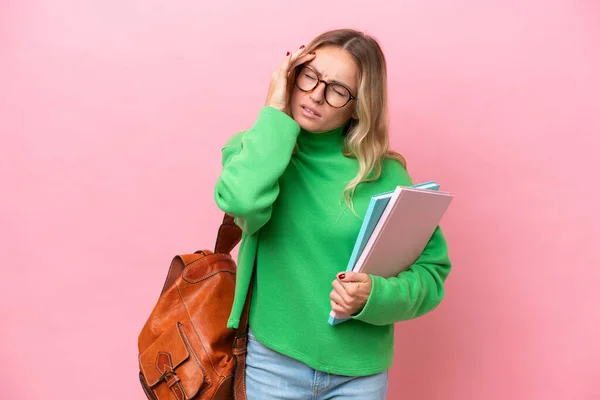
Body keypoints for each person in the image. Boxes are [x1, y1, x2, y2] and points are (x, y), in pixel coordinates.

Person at [214, 28, 451, 400]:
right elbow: (242, 203)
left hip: (359, 376)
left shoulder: (387, 176)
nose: (316, 96)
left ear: (358, 105)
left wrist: (376, 295)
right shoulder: (254, 147)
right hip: (272, 361)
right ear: (291, 76)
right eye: (309, 77)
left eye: (338, 90)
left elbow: (431, 274)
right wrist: (274, 112)